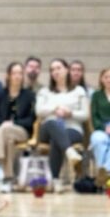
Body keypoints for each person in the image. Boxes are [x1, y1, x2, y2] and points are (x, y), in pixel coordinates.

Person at [35, 58, 89, 190]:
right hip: (48, 128)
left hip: (72, 128)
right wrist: (55, 109)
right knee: (52, 123)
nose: (55, 72)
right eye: (52, 69)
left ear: (66, 70)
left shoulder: (79, 91)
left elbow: (85, 114)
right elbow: (39, 111)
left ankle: (56, 180)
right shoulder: (44, 91)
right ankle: (69, 151)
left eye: (58, 68)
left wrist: (70, 113)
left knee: (57, 139)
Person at [0, 61, 36, 192]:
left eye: (20, 73)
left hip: (22, 131)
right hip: (4, 134)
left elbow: (31, 119)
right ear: (8, 75)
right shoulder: (0, 94)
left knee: (5, 129)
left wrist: (13, 123)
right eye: (14, 73)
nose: (17, 76)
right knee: (8, 141)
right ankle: (9, 179)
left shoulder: (29, 95)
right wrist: (2, 123)